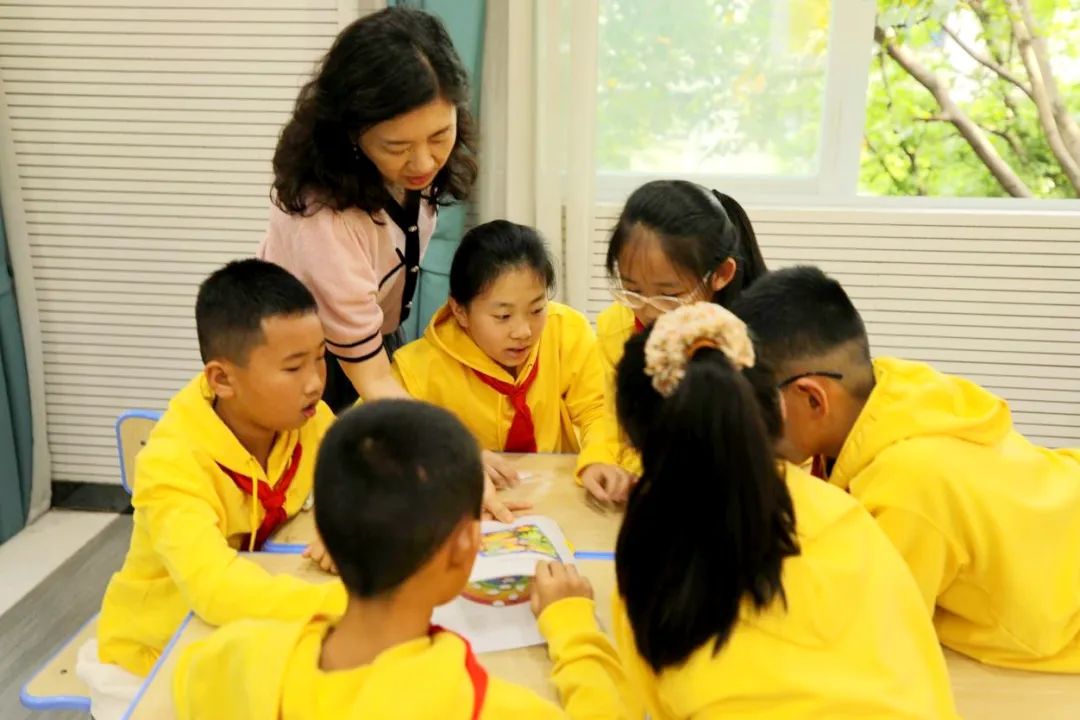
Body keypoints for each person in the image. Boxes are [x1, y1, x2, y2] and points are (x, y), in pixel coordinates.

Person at [538, 303, 958, 717]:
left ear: (631, 437)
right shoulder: (845, 512)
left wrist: (570, 624)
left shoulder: (656, 552)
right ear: (774, 409)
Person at [173, 400, 631, 718]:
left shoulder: (238, 658)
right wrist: (572, 622)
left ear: (324, 532)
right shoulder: (483, 706)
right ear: (468, 546)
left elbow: (188, 682)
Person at [732, 265, 1080, 672]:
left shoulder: (905, 488)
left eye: (752, 405)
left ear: (813, 400)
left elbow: (871, 638)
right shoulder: (890, 389)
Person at [259, 6, 517, 517]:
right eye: (396, 146)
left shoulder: (411, 175)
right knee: (311, 516)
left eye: (440, 136)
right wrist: (452, 456)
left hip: (364, 342)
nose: (423, 163)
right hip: (298, 367)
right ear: (350, 134)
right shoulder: (324, 220)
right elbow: (370, 376)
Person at [76, 260, 345, 720]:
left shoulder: (307, 420)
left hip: (239, 630)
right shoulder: (171, 462)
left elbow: (355, 478)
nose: (316, 382)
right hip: (154, 654)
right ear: (222, 379)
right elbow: (215, 590)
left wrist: (344, 526)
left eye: (320, 357)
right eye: (293, 367)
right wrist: (357, 605)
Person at [392, 220, 632, 504]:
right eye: (503, 316)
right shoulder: (417, 366)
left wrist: (598, 460)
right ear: (460, 311)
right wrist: (449, 456)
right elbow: (374, 437)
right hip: (464, 503)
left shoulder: (567, 331)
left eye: (536, 309)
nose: (524, 331)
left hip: (556, 496)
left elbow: (597, 410)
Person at [597, 180, 767, 473]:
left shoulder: (747, 342)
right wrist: (598, 461)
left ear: (721, 275)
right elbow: (607, 418)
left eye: (669, 295)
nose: (648, 310)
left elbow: (767, 449)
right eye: (631, 289)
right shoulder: (618, 325)